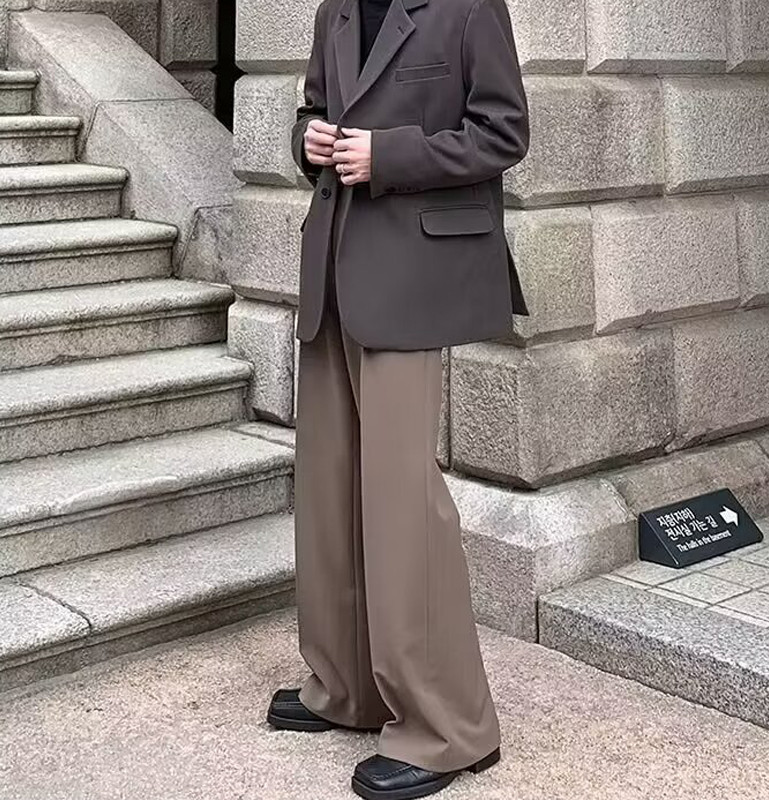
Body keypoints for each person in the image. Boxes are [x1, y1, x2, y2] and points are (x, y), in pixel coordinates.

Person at [266, 0, 529, 796]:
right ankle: (348, 686)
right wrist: (308, 140)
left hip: (413, 280)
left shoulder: (469, 6)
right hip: (335, 271)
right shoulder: (336, 11)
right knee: (330, 489)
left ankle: (450, 728)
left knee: (400, 501)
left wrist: (389, 154)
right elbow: (317, 108)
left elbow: (504, 133)